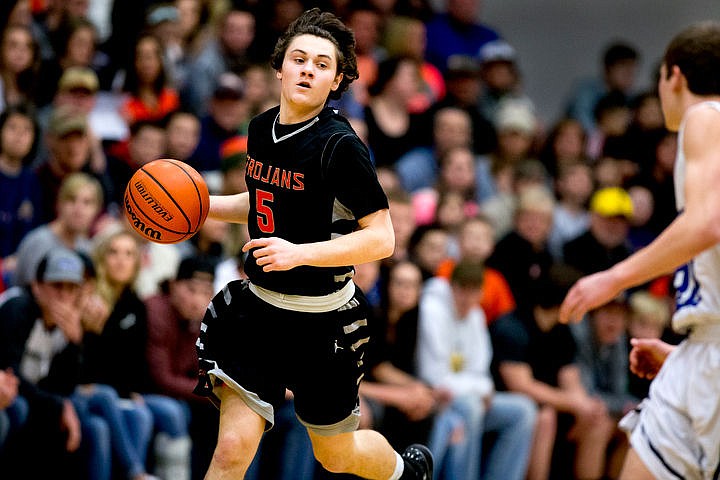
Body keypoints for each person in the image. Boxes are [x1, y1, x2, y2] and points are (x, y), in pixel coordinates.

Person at [193, 9, 433, 479]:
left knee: (336, 456)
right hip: (257, 312)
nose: (307, 69)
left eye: (321, 64)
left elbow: (382, 238)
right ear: (279, 67)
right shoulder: (261, 128)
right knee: (231, 450)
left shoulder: (341, 146)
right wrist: (199, 205)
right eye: (299, 59)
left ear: (338, 79)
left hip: (323, 323)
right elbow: (264, 199)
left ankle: (404, 472)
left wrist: (298, 253)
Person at [559, 21, 720, 480]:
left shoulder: (705, 116)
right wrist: (686, 352)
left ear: (674, 76)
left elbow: (706, 224)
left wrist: (613, 278)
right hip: (699, 356)